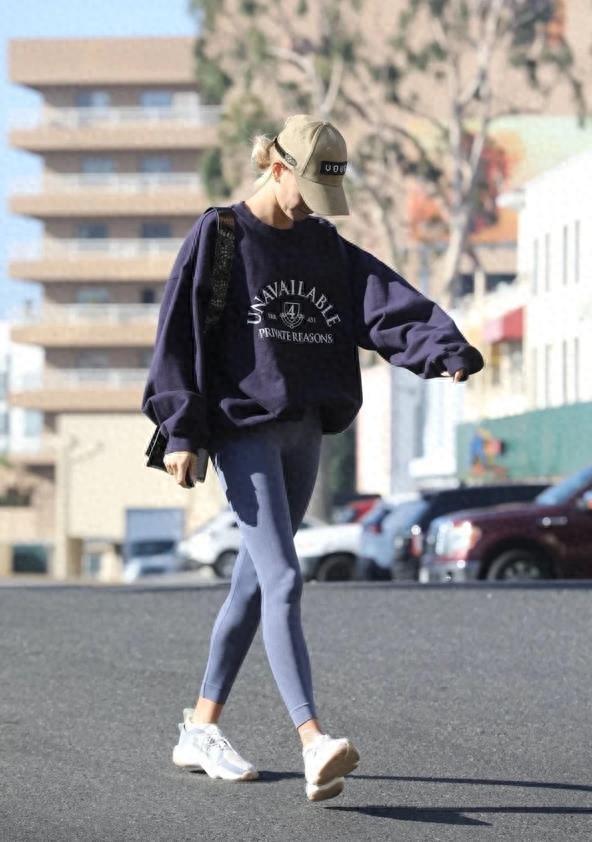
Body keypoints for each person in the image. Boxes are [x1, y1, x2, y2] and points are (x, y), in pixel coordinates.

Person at [141, 113, 485, 802]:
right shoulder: (222, 235)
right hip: (243, 427)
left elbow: (384, 304)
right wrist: (181, 431)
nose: (312, 208)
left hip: (304, 428)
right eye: (307, 191)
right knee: (284, 580)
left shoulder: (325, 246)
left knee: (254, 584)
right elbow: (177, 331)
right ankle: (313, 740)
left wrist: (442, 350)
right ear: (277, 168)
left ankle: (200, 728)